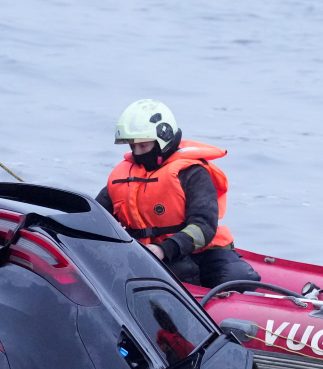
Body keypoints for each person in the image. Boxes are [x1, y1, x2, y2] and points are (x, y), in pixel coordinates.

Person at [95, 99, 261, 289]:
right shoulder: (124, 177)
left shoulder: (193, 173)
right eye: (133, 147)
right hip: (151, 255)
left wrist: (164, 249)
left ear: (163, 140)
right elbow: (96, 215)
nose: (137, 153)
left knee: (237, 276)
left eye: (143, 146)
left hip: (200, 252)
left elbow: (204, 226)